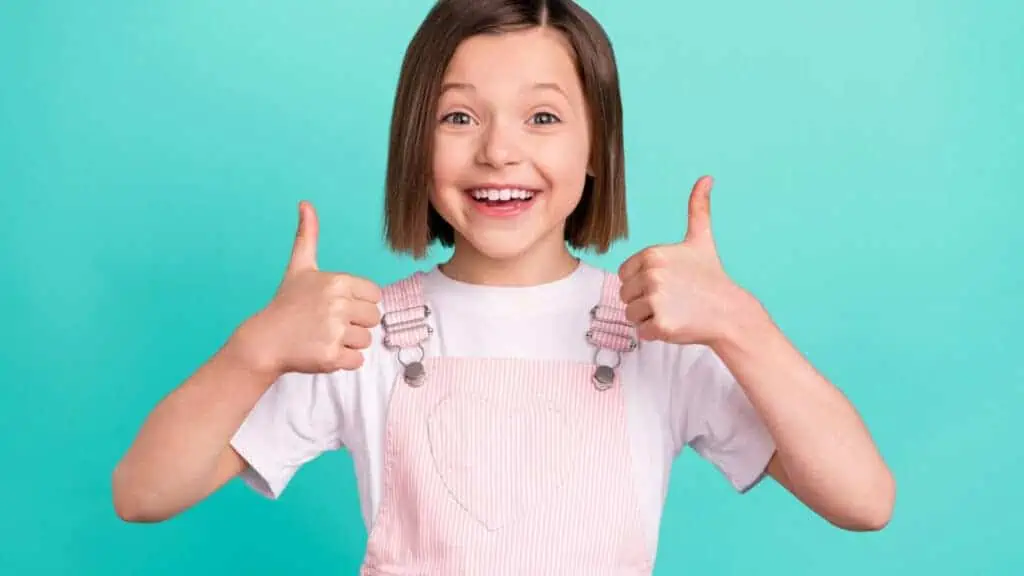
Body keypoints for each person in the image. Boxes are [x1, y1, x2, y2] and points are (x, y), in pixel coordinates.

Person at [112, 0, 895, 573]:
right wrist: (255, 350)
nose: (498, 152)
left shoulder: (660, 336)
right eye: (458, 118)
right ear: (414, 142)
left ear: (598, 148)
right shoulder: (364, 336)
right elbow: (141, 493)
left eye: (543, 119)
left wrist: (742, 327)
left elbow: (863, 501)